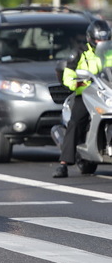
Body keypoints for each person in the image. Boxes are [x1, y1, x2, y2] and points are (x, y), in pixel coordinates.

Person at [53, 19, 111, 178]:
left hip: (107, 91)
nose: (101, 43)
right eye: (99, 39)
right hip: (86, 93)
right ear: (91, 38)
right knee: (76, 121)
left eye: (105, 40)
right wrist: (82, 83)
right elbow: (68, 76)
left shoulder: (110, 52)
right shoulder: (80, 53)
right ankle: (63, 164)